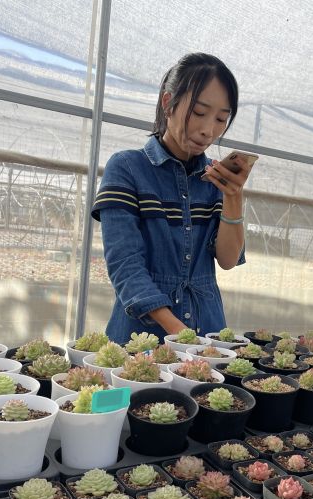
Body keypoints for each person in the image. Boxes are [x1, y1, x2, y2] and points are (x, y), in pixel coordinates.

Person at [91, 53, 251, 344]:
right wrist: (183, 336)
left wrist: (233, 196)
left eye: (221, 119)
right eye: (199, 112)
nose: (208, 130)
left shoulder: (216, 178)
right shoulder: (127, 168)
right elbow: (126, 266)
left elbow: (228, 260)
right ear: (168, 103)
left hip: (208, 331)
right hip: (142, 338)